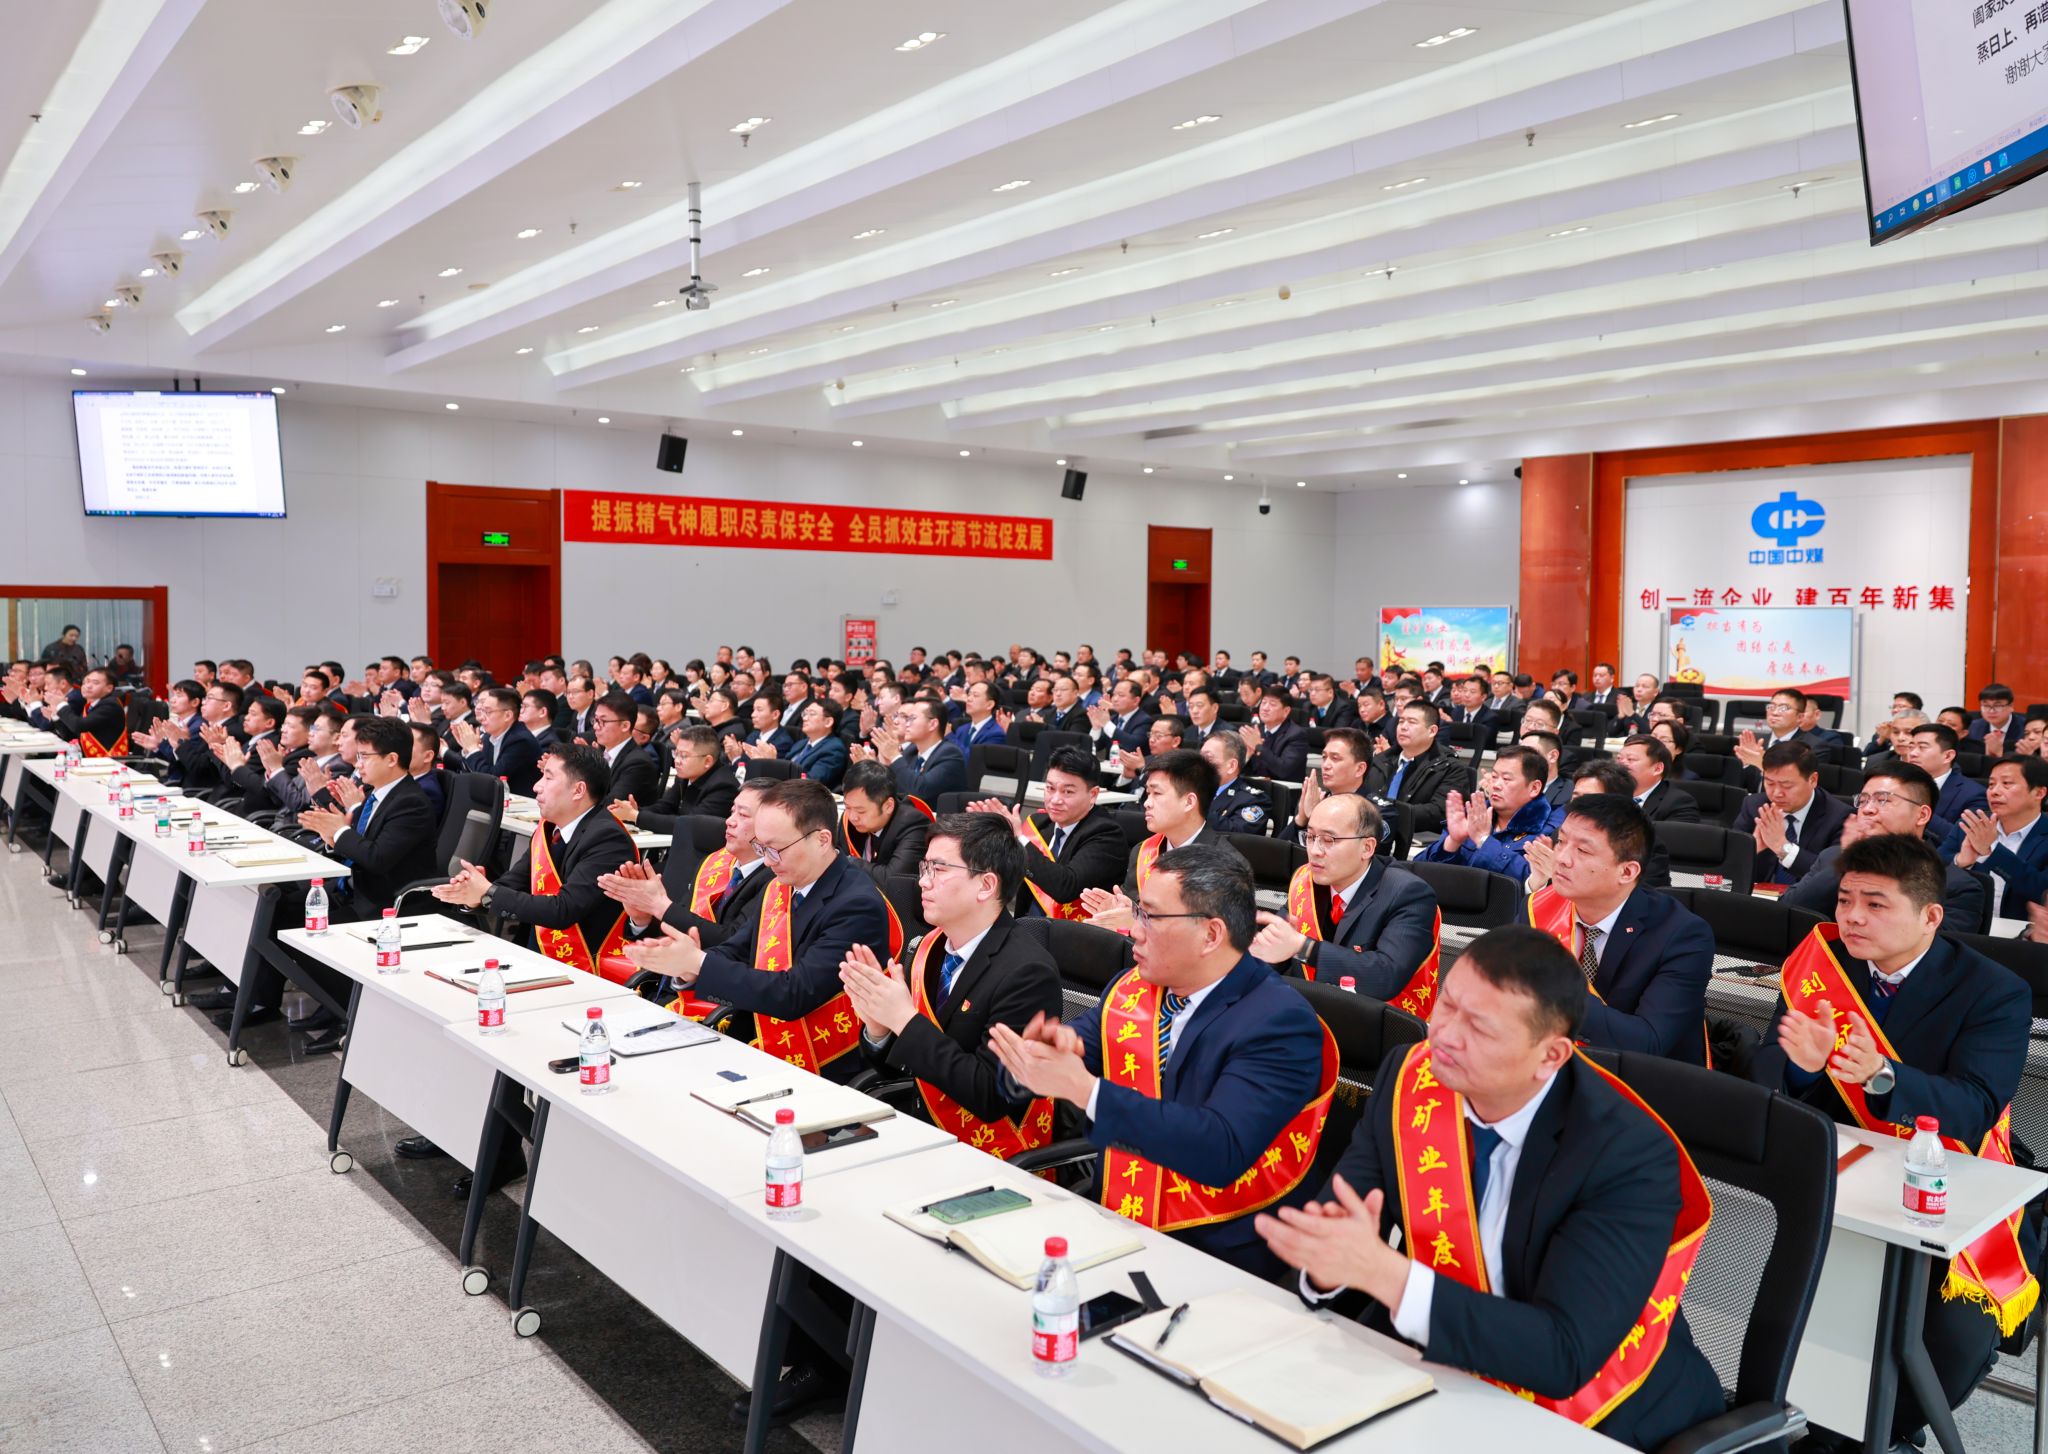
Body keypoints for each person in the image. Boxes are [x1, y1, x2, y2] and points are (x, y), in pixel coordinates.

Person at [1261, 926, 1725, 1453]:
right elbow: (1343, 1223)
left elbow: (1564, 1355)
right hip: (1439, 1366)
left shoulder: (1627, 1155)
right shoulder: (1409, 1076)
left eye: (1479, 1028)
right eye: (1446, 1005)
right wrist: (1327, 1267)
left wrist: (1386, 1274)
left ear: (1551, 1056)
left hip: (1595, 1407)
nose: (1445, 1035)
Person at [1752, 834, 2036, 1446]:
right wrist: (1804, 1068)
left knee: (1945, 1346)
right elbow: (1769, 1069)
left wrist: (1882, 1076)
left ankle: (1879, 1433)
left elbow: (1975, 1106)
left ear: (1930, 915)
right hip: (1838, 1179)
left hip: (1948, 1186)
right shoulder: (1823, 966)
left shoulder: (1994, 991)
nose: (1852, 917)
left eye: (1875, 904)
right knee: (1774, 1310)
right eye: (1845, 900)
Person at [988, 844, 1336, 1274]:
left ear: (1211, 935)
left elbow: (1221, 1149)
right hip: (1118, 1214)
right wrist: (1033, 1060)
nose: (1134, 930)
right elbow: (1045, 1069)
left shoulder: (1279, 1022)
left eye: (1150, 917)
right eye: (1138, 912)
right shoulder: (1134, 988)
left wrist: (1084, 1090)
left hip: (1219, 1246)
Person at [621, 779, 895, 1082]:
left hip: (820, 1061)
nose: (766, 860)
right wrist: (685, 965)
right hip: (756, 1036)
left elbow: (794, 993)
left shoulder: (856, 905)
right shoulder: (782, 884)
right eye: (761, 848)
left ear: (821, 840)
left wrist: (699, 963)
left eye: (775, 849)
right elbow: (737, 949)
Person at [840, 812, 1063, 1151]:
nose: (923, 882)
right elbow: (901, 1069)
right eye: (925, 868)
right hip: (921, 1131)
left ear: (986, 885)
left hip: (990, 1154)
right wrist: (879, 1029)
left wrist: (904, 1020)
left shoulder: (1028, 973)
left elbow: (993, 1095)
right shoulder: (930, 948)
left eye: (939, 870)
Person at [1523, 793, 1713, 1063]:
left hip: (1640, 1079)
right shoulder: (1537, 907)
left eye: (1583, 851)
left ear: (1627, 872)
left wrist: (1556, 991)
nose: (1561, 858)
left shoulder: (1683, 936)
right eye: (1562, 841)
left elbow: (1648, 1041)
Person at [433, 744, 639, 976]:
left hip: (587, 967)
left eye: (548, 778)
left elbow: (563, 910)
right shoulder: (549, 829)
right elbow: (513, 883)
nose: (536, 786)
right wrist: (473, 894)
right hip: (538, 955)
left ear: (578, 790)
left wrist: (488, 892)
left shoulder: (608, 839)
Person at [1251, 795, 1440, 1010]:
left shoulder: (1408, 893)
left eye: (1329, 840)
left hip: (1370, 1021)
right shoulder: (1307, 880)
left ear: (1367, 847)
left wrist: (1305, 948)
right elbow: (1277, 950)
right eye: (1310, 837)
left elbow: (1385, 975)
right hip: (1308, 1010)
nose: (1314, 851)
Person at [1783, 764, 1986, 931]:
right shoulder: (1833, 857)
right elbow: (1787, 915)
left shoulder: (1957, 886)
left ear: (1922, 815)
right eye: (1863, 800)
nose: (1868, 809)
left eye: (1883, 800)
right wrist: (1846, 862)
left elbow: (1937, 952)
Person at [604, 779, 774, 958]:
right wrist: (643, 918)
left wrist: (660, 905)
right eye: (732, 812)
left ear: (771, 826)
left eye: (743, 815)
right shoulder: (713, 862)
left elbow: (734, 943)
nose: (730, 821)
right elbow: (679, 924)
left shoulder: (774, 879)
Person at [968, 745, 1124, 919]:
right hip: (1025, 924)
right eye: (1050, 788)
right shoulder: (1039, 823)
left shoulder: (1106, 834)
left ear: (1093, 795)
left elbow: (1066, 887)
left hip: (1074, 931)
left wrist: (1018, 839)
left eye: (1068, 792)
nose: (1055, 800)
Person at [1417, 745, 1562, 882]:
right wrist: (1452, 842)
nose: (1496, 785)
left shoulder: (1551, 832)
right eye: (1494, 776)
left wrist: (1484, 841)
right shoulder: (1474, 816)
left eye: (1506, 779)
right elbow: (1419, 869)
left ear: (1534, 788)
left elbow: (1533, 882)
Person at [1943, 756, 2048, 923]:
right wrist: (1960, 861)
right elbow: (1933, 871)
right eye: (1991, 784)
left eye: (2007, 783)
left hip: (2024, 931)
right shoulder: (1971, 824)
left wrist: (1992, 850)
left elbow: (2042, 891)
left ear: (2039, 793)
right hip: (1967, 926)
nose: (1994, 791)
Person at [1732, 742, 1851, 885]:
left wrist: (1782, 847)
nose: (1777, 793)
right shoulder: (1754, 806)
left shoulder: (1840, 817)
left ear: (1813, 780)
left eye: (1787, 785)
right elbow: (1727, 869)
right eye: (1770, 783)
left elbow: (1832, 876)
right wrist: (1750, 850)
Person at [1364, 700, 1474, 835]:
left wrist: (1384, 812)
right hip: (1371, 833)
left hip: (1416, 838)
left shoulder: (1450, 768)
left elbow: (1439, 812)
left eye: (1412, 722)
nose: (1403, 727)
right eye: (1401, 721)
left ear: (1432, 731)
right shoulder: (1381, 760)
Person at [621, 724, 738, 834]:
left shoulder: (723, 787)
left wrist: (637, 816)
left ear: (707, 761)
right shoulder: (686, 775)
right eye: (676, 754)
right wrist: (636, 811)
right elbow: (665, 806)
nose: (677, 761)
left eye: (684, 756)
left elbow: (690, 825)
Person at [838, 760, 932, 883]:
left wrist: (850, 861)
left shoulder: (913, 824)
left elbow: (894, 880)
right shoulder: (850, 815)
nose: (853, 817)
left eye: (861, 811)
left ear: (888, 806)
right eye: (847, 807)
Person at [452, 687, 542, 795]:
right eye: (482, 711)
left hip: (521, 802)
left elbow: (493, 780)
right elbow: (472, 772)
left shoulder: (520, 740)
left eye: (488, 712)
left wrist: (473, 749)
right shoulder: (489, 736)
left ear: (507, 715)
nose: (482, 717)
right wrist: (467, 748)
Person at [880, 698, 967, 801]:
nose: (907, 724)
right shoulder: (911, 752)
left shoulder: (950, 754)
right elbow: (892, 789)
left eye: (912, 718)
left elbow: (919, 792)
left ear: (932, 724)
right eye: (907, 719)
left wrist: (894, 756)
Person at [1904, 722, 1989, 825]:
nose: (1912, 753)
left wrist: (1916, 808)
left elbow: (1961, 834)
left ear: (1948, 756)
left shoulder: (1975, 795)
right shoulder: (1898, 785)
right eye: (1911, 747)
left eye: (1922, 747)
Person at [30, 666, 125, 755]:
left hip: (109, 760)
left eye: (95, 683)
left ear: (109, 688)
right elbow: (70, 736)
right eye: (86, 682)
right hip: (90, 759)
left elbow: (78, 726)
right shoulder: (91, 705)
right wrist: (55, 715)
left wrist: (61, 705)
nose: (88, 686)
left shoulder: (110, 705)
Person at [587, 691, 658, 808]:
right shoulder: (601, 752)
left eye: (603, 721)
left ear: (625, 726)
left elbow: (611, 806)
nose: (595, 726)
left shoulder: (638, 764)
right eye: (596, 720)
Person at [1202, 731, 1274, 836]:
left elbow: (1237, 834)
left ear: (1231, 766)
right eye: (1200, 757)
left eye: (1208, 758)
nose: (1198, 763)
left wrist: (1197, 809)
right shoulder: (1191, 789)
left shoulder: (1252, 800)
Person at [1616, 734, 1700, 822]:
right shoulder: (1610, 791)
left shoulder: (1680, 803)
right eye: (1619, 758)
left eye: (1631, 759)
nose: (1621, 764)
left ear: (1657, 769)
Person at [1241, 687, 1310, 781]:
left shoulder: (1297, 735)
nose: (1265, 708)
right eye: (1263, 703)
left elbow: (1283, 770)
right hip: (1255, 786)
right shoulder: (1256, 731)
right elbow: (1245, 771)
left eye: (1272, 704)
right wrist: (1247, 756)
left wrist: (1258, 747)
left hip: (1284, 788)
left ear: (1286, 711)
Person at [787, 700, 850, 789]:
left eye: (812, 714)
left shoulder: (834, 749)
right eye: (805, 713)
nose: (805, 718)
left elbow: (810, 782)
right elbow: (786, 765)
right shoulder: (801, 743)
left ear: (828, 722)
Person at [949, 680, 1006, 755]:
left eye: (975, 695)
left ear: (990, 705)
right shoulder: (961, 729)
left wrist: (950, 736)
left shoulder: (996, 734)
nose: (969, 699)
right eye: (969, 695)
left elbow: (975, 759)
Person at [1968, 683, 2020, 754]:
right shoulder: (1974, 727)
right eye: (1986, 706)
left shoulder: (2025, 729)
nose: (1991, 711)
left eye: (1997, 706)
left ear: (2011, 706)